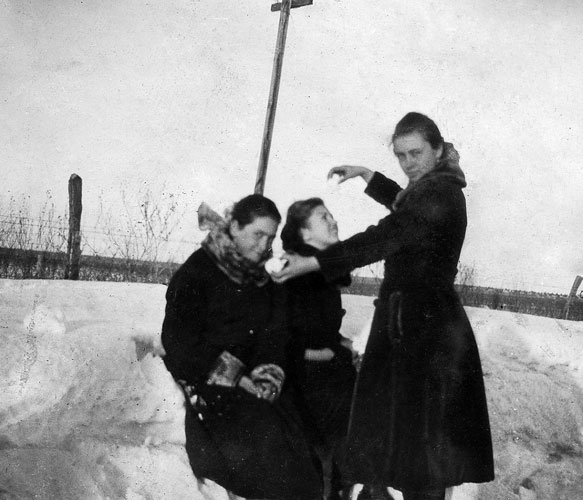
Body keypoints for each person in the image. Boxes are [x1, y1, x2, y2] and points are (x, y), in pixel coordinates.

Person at [273, 112, 495, 500]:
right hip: (413, 327)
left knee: (422, 459)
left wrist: (314, 262)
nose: (408, 163)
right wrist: (367, 176)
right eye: (401, 155)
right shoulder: (434, 186)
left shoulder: (440, 193)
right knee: (414, 453)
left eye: (416, 153)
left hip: (425, 334)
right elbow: (404, 204)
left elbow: (387, 234)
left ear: (438, 149)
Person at [161, 194, 322, 500]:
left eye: (270, 237)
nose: (264, 246)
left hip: (254, 384)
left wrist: (267, 374)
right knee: (269, 454)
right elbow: (179, 343)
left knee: (302, 445)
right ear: (234, 227)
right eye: (257, 234)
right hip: (209, 384)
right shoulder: (198, 272)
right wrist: (237, 377)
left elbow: (275, 335)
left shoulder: (263, 279)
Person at [279, 198, 360, 500]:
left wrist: (341, 343)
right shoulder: (293, 272)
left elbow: (318, 327)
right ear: (304, 234)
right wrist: (323, 354)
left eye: (331, 214)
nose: (333, 220)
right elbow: (278, 337)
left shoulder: (320, 272)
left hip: (325, 374)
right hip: (301, 381)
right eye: (322, 217)